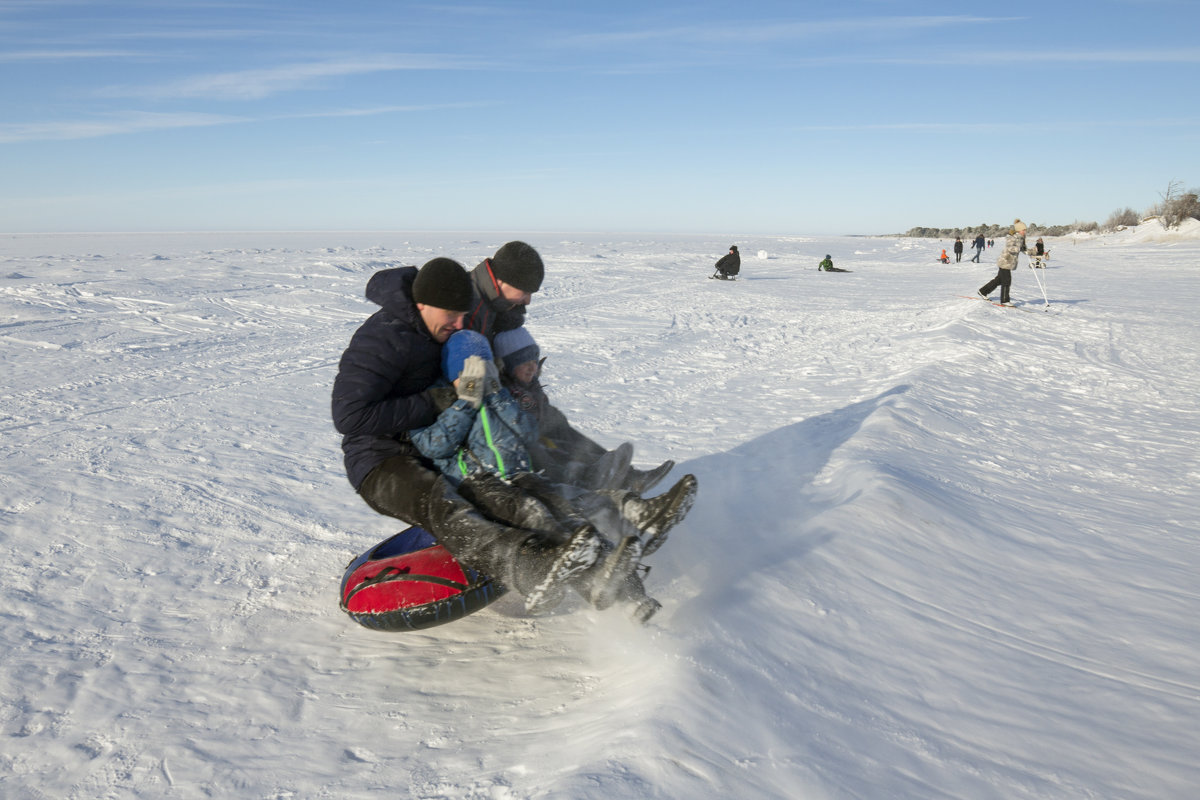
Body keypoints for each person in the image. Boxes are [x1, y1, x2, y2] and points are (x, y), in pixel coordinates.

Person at [331, 258, 629, 616]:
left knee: (512, 486)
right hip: (379, 459)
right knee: (440, 501)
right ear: (422, 303)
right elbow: (350, 416)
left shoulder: (437, 330)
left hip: (441, 445)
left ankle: (598, 564)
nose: (459, 325)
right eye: (452, 316)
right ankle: (526, 565)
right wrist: (436, 401)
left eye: (463, 316)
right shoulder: (382, 339)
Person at [411, 330, 698, 621]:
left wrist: (497, 394)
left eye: (484, 372)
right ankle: (585, 582)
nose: (478, 381)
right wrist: (466, 402)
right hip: (479, 484)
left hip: (518, 475)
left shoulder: (495, 397)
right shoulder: (440, 403)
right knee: (548, 521)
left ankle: (636, 556)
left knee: (579, 502)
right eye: (469, 374)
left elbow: (527, 430)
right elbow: (435, 445)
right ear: (453, 374)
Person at [463, 241, 673, 493]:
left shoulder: (500, 303)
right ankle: (584, 486)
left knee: (554, 421)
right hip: (486, 402)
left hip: (506, 386)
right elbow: (467, 371)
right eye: (525, 291)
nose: (528, 301)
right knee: (534, 435)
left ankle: (621, 477)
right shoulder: (469, 307)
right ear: (502, 281)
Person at [977, 219, 1027, 305]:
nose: (1025, 231)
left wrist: (1033, 252)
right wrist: (1018, 249)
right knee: (1007, 280)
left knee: (999, 280)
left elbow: (1023, 249)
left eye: (1025, 230)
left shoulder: (1021, 238)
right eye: (1023, 230)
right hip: (1005, 261)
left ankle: (983, 291)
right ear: (1019, 230)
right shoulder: (1012, 237)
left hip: (1009, 262)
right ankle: (1005, 300)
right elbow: (1010, 248)